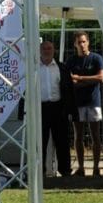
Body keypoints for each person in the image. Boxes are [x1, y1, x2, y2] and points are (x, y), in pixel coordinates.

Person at [66, 31, 103, 177]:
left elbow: (101, 78)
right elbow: (70, 82)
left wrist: (80, 78)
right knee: (78, 136)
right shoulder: (71, 61)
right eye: (79, 42)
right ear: (75, 44)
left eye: (84, 41)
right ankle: (81, 167)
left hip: (94, 102)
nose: (82, 45)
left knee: (96, 135)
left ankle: (96, 167)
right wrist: (89, 81)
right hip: (77, 103)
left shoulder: (97, 58)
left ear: (88, 42)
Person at [39, 41, 77, 177]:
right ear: (39, 50)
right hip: (40, 109)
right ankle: (40, 171)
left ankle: (65, 170)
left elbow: (69, 90)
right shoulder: (33, 68)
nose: (47, 51)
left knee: (62, 140)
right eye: (44, 48)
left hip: (58, 108)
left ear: (54, 50)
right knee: (40, 141)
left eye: (49, 48)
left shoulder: (62, 67)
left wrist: (71, 111)